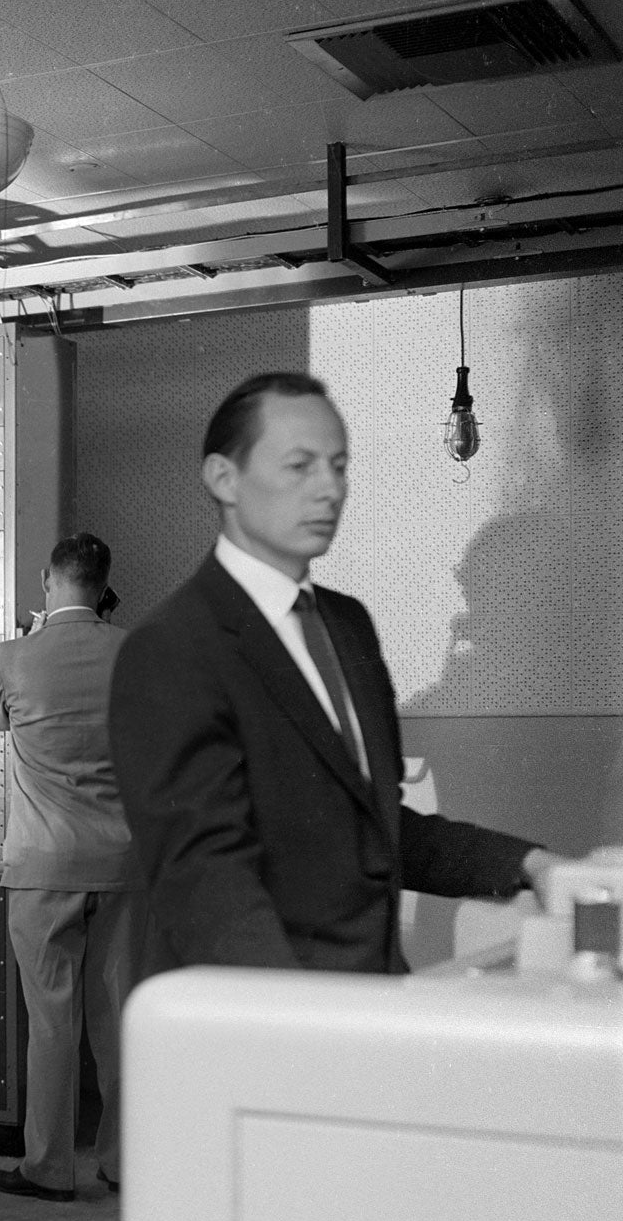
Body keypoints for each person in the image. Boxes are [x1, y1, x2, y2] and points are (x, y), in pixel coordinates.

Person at [108, 373, 560, 975]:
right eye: (300, 466)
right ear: (224, 478)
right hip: (273, 1027)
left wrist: (529, 864)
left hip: (368, 1003)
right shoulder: (172, 648)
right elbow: (206, 886)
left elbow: (376, 826)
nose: (329, 490)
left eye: (339, 466)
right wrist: (317, 1034)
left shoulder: (346, 626)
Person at [0, 533, 138, 1202]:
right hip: (124, 860)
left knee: (51, 1023)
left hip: (43, 862)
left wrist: (36, 635)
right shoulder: (136, 652)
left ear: (48, 580)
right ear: (103, 586)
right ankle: (124, 1160)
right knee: (119, 1019)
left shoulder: (13, 657)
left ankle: (49, 1168)